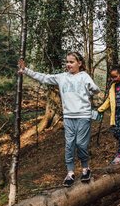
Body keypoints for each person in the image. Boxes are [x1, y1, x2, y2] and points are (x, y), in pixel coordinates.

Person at [18, 52, 100, 187]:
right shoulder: (61, 77)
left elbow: (95, 89)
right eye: (67, 62)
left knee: (80, 144)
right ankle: (70, 173)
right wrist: (25, 70)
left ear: (79, 63)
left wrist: (90, 90)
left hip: (84, 116)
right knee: (69, 145)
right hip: (68, 117)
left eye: (71, 62)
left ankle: (86, 169)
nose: (68, 65)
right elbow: (44, 78)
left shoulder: (84, 76)